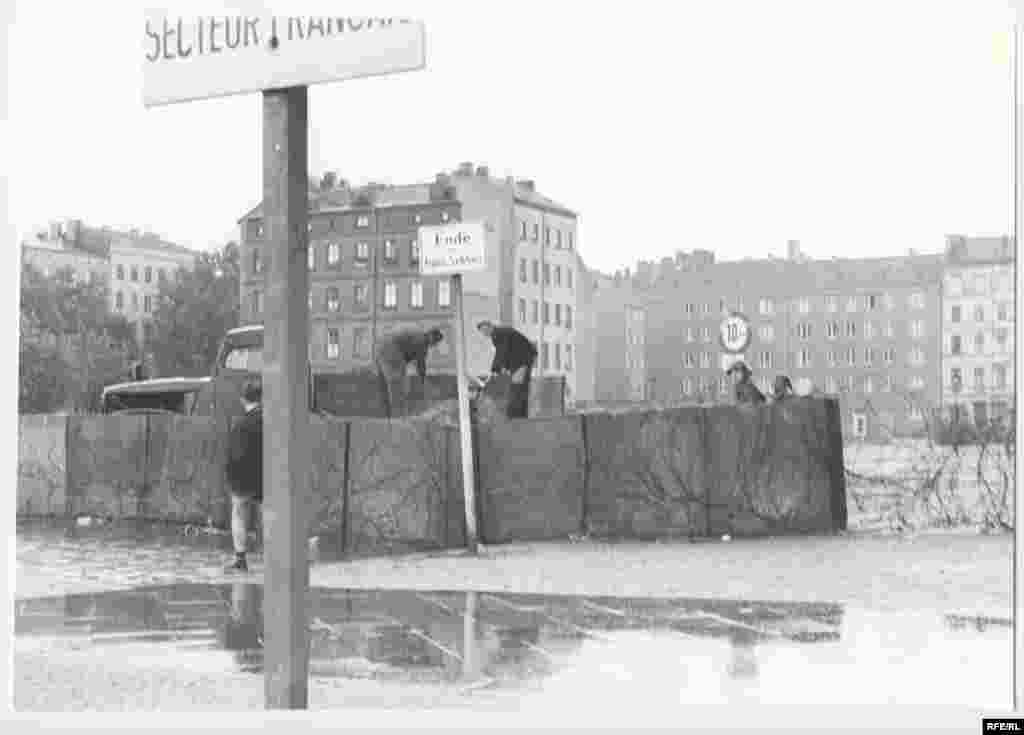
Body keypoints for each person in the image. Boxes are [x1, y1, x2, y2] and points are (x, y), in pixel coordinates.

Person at [225, 378, 263, 573]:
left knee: (239, 512)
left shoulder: (240, 424)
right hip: (267, 476)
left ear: (243, 399)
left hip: (243, 479)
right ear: (262, 398)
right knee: (268, 515)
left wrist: (232, 478)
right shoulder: (271, 420)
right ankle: (275, 557)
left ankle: (240, 559)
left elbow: (235, 455)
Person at [374, 327, 445, 418]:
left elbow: (416, 361)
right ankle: (399, 414)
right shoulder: (422, 341)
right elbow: (420, 364)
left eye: (436, 343)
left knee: (385, 381)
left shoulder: (417, 336)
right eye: (435, 341)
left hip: (381, 346)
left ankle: (387, 414)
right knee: (399, 382)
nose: (434, 345)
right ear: (430, 335)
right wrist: (423, 380)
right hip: (391, 347)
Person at [477, 320, 538, 419]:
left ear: (490, 326)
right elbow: (505, 351)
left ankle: (516, 415)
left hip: (522, 360)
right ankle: (519, 414)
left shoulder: (500, 333)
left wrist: (496, 369)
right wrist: (502, 367)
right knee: (519, 387)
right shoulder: (499, 334)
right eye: (483, 332)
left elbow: (502, 351)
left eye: (485, 330)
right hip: (521, 360)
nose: (485, 333)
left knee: (517, 387)